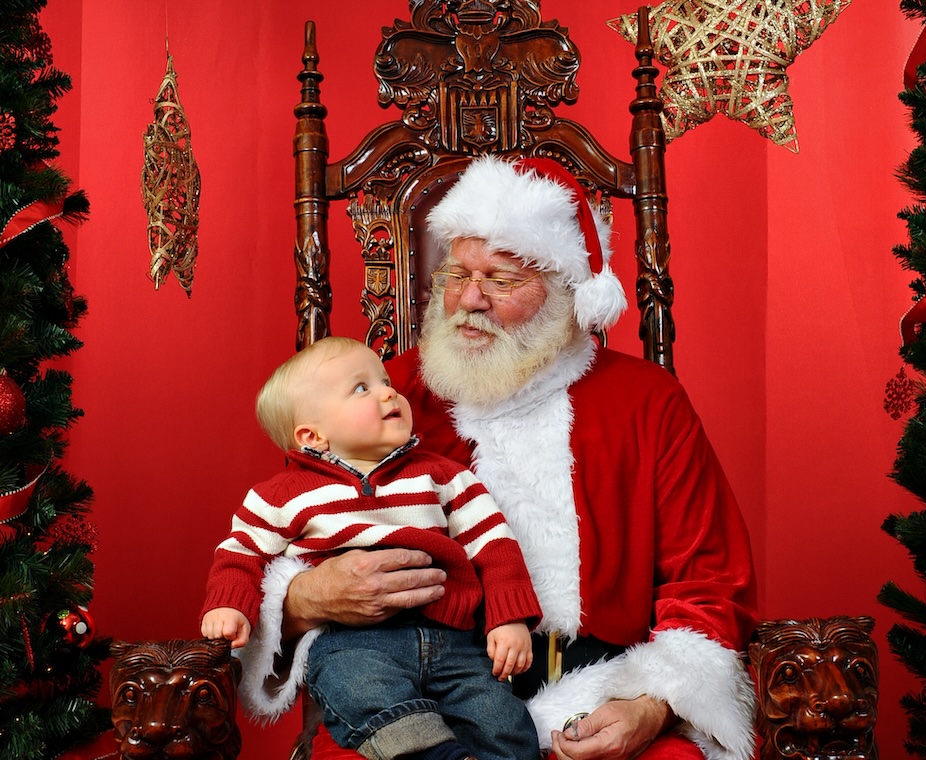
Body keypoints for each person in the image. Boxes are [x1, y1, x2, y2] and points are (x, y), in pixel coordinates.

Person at [237, 156, 759, 760]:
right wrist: (304, 599)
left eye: (502, 280)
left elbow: (708, 580)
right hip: (415, 706)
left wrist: (652, 704)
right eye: (456, 273)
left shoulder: (648, 401)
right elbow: (286, 528)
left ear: (566, 290)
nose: (469, 300)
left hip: (598, 700)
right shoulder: (388, 398)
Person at [200, 335, 542, 760]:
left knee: (501, 719)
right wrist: (228, 605)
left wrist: (508, 620)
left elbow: (494, 544)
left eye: (385, 381)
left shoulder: (443, 476)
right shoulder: (282, 496)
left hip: (454, 641)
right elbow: (240, 554)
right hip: (354, 643)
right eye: (361, 388)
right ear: (313, 436)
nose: (388, 392)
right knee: (358, 690)